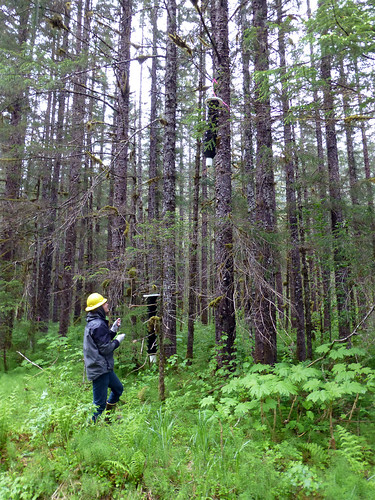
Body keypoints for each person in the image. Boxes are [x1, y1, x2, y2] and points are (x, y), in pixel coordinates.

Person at [83, 292, 125, 422]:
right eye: (104, 303)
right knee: (98, 405)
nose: (107, 304)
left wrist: (113, 330)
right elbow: (105, 348)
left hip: (103, 367)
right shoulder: (98, 324)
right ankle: (89, 428)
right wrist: (118, 341)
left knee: (118, 389)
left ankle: (108, 417)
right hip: (99, 369)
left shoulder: (96, 323)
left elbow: (102, 341)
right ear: (98, 307)